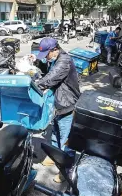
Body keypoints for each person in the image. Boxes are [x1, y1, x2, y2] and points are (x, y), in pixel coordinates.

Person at [31, 38, 80, 183]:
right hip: (58, 103)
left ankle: (66, 170)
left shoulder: (64, 61)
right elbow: (47, 70)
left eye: (47, 54)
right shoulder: (55, 58)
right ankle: (54, 158)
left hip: (67, 104)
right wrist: (36, 61)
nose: (46, 57)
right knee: (55, 133)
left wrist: (32, 85)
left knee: (66, 140)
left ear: (54, 49)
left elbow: (50, 79)